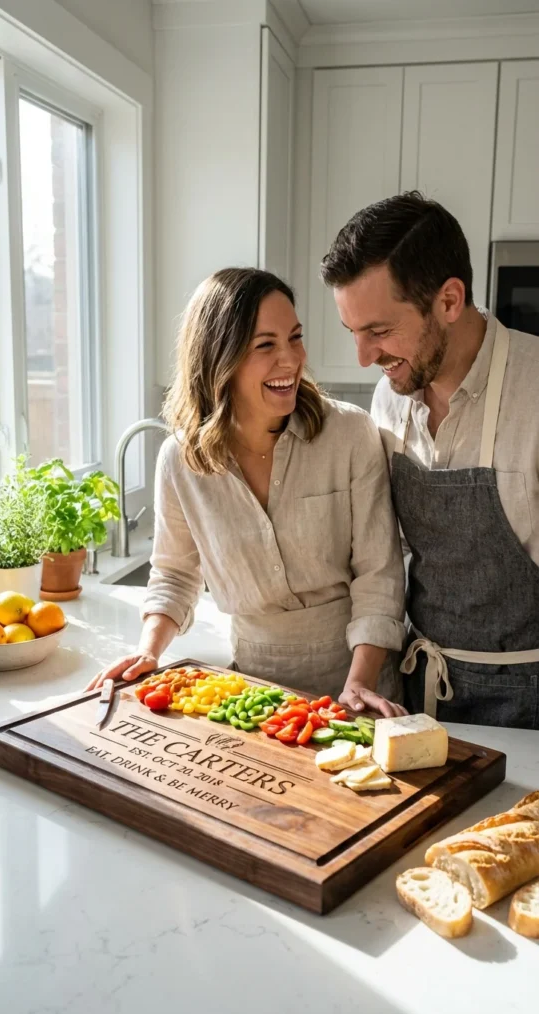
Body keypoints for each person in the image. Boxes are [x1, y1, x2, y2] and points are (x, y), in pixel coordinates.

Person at [88, 267, 406, 716]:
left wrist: (359, 683)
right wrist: (148, 651)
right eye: (266, 345)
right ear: (221, 358)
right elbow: (175, 575)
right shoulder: (180, 461)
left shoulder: (350, 434)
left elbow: (379, 575)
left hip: (359, 686)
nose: (291, 360)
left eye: (295, 338)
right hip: (254, 693)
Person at [321, 191, 539, 729]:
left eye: (379, 331)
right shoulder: (390, 397)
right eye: (354, 333)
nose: (364, 358)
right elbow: (386, 557)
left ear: (449, 300)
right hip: (422, 693)